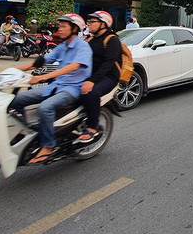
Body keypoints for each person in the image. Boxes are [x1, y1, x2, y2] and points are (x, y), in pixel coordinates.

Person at [11, 14, 92, 164]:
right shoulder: (62, 47)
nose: (59, 29)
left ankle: (48, 146)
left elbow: (74, 66)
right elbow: (42, 62)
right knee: (16, 100)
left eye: (63, 26)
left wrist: (43, 77)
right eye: (59, 26)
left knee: (45, 108)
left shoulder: (83, 47)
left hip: (72, 89)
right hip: (55, 87)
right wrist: (13, 71)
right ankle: (26, 133)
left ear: (74, 29)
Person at [79, 11, 121, 143]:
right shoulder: (91, 39)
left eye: (92, 21)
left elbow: (107, 65)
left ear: (103, 24)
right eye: (88, 21)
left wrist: (92, 81)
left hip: (108, 77)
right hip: (92, 75)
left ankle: (93, 126)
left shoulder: (112, 40)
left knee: (91, 93)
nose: (89, 24)